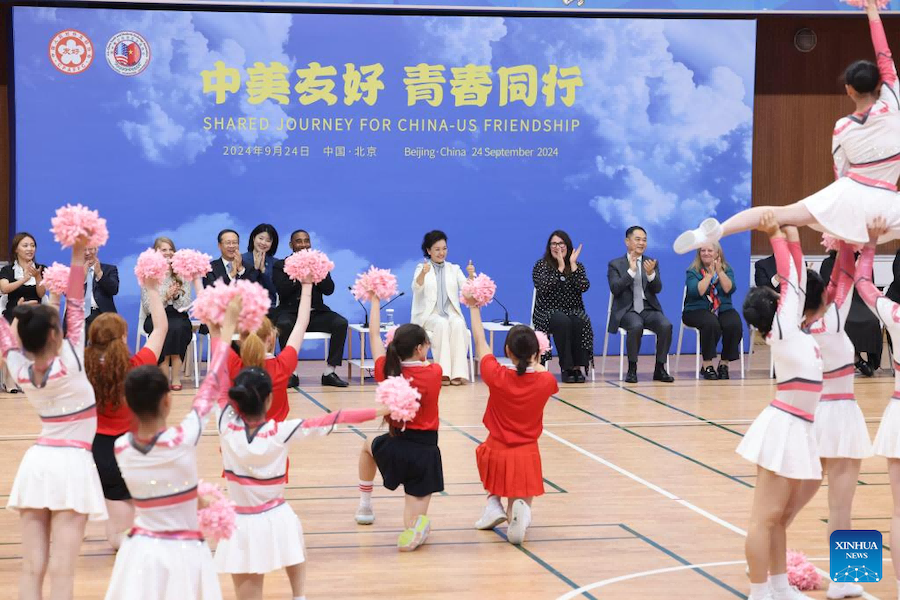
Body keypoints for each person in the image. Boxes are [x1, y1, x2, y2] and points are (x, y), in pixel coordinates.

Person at [675, 0, 900, 254]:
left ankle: (718, 231)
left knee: (780, 214)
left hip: (850, 196)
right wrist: (872, 11)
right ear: (880, 84)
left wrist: (836, 216)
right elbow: (885, 55)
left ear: (848, 89)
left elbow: (841, 173)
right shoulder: (892, 103)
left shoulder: (843, 127)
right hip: (887, 200)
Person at [103, 297, 240, 600]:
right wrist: (225, 329)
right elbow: (213, 383)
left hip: (139, 551)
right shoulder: (183, 438)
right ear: (167, 401)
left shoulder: (121, 447)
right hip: (184, 551)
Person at [215, 368, 386, 600]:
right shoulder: (281, 432)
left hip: (240, 521)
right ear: (269, 399)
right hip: (276, 514)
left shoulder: (224, 426)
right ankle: (299, 596)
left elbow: (216, 378)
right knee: (294, 548)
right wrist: (382, 410)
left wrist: (219, 337)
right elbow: (338, 416)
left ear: (235, 400)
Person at [0, 236, 108, 600]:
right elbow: (76, 303)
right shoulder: (73, 362)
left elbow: (6, 337)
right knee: (62, 566)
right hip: (72, 465)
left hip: (37, 464)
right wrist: (78, 251)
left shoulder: (20, 370)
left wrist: (12, 325)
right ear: (54, 333)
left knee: (33, 565)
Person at [737, 213, 827, 600]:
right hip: (785, 426)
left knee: (775, 519)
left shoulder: (794, 329)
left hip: (800, 425)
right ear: (777, 303)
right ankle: (760, 591)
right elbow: (794, 276)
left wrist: (792, 233)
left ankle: (777, 585)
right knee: (764, 518)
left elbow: (801, 278)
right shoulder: (785, 327)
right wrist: (777, 233)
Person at [778, 240, 873, 600]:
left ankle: (766, 556)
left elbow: (832, 280)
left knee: (790, 501)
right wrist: (851, 242)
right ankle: (845, 580)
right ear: (823, 299)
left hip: (813, 416)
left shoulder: (794, 327)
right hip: (842, 415)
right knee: (841, 506)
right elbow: (846, 274)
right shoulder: (832, 321)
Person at [355, 294, 443, 552]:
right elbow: (428, 366)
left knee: (367, 444)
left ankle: (365, 504)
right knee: (411, 520)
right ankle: (414, 529)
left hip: (395, 447)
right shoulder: (434, 373)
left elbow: (373, 336)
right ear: (419, 348)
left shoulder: (386, 370)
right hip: (424, 452)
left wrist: (373, 300)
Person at [86, 273, 168, 550]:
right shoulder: (137, 364)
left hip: (99, 447)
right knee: (129, 520)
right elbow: (160, 329)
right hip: (132, 446)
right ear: (124, 336)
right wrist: (154, 289)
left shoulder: (84, 370)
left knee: (114, 505)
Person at [466, 299, 558, 545]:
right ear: (538, 352)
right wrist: (536, 362)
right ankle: (519, 514)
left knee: (493, 470)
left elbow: (480, 341)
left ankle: (493, 504)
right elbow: (539, 372)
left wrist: (474, 308)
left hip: (495, 450)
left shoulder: (496, 375)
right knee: (520, 497)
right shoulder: (547, 382)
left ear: (508, 352)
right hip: (526, 453)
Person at [852, 217, 900, 600]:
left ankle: (851, 579)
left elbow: (862, 282)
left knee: (894, 513)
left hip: (852, 420)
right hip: (838, 423)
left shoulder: (893, 314)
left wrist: (867, 243)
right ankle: (847, 578)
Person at [226, 278, 316, 422]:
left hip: (239, 439)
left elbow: (216, 333)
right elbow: (301, 324)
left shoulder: (235, 367)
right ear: (270, 337)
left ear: (240, 339)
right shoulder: (283, 365)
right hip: (275, 440)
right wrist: (307, 285)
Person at [272, 229, 349, 388]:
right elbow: (282, 290)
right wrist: (300, 276)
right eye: (298, 241)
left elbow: (329, 290)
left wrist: (316, 271)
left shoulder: (319, 262)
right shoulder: (281, 265)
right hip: (290, 312)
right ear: (291, 245)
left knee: (341, 323)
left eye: (306, 241)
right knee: (284, 324)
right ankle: (291, 372)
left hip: (316, 313)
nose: (303, 244)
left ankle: (329, 372)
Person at [607, 226, 674, 383]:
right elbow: (615, 288)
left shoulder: (650, 263)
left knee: (666, 325)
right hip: (627, 310)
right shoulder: (615, 264)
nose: (642, 243)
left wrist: (651, 274)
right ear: (627, 241)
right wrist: (630, 272)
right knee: (636, 326)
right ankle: (632, 369)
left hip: (648, 308)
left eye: (644, 240)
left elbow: (657, 289)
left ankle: (660, 368)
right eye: (637, 239)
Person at [410, 230, 475, 386]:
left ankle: (458, 373)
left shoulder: (454, 269)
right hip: (430, 316)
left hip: (450, 313)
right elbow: (416, 288)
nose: (441, 252)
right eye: (437, 249)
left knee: (458, 323)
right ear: (428, 251)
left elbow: (467, 292)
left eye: (444, 248)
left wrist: (471, 276)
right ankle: (443, 373)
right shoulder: (422, 267)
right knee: (441, 323)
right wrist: (423, 275)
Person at [531, 230, 594, 383]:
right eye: (553, 244)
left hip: (572, 309)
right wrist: (559, 268)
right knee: (563, 321)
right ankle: (566, 367)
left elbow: (584, 286)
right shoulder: (541, 265)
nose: (557, 247)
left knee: (580, 320)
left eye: (561, 243)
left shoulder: (577, 266)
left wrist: (572, 265)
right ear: (549, 246)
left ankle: (577, 367)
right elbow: (543, 287)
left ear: (568, 246)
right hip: (546, 311)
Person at [682, 242, 742, 380]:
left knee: (734, 324)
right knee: (711, 323)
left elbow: (729, 289)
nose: (706, 253)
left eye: (710, 250)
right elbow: (697, 291)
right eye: (703, 250)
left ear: (717, 253)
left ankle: (724, 364)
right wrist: (709, 275)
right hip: (696, 310)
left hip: (722, 308)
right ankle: (707, 364)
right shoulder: (693, 271)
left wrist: (719, 272)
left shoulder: (727, 270)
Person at [143, 237, 196, 390]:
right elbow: (147, 306)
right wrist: (165, 297)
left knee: (178, 328)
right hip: (156, 315)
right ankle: (164, 377)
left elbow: (186, 305)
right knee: (164, 329)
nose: (168, 253)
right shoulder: (148, 274)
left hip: (178, 314)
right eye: (163, 250)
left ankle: (176, 377)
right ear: (155, 253)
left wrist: (176, 296)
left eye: (170, 249)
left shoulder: (182, 273)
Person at [820, 249, 882, 376]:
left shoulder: (862, 262)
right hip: (839, 303)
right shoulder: (828, 263)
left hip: (860, 303)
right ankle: (856, 358)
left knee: (872, 320)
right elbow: (828, 289)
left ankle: (871, 360)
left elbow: (869, 287)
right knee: (844, 320)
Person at [0, 232, 45, 322]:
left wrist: (37, 277)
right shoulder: (7, 270)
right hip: (13, 312)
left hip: (35, 313)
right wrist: (24, 279)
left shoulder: (41, 269)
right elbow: (4, 289)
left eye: (32, 246)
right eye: (25, 246)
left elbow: (41, 294)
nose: (30, 249)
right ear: (16, 249)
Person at [83, 245, 119, 333]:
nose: (87, 253)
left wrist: (99, 274)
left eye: (90, 249)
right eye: (84, 250)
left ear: (96, 250)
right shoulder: (74, 272)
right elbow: (68, 295)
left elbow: (114, 289)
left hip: (102, 314)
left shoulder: (109, 269)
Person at [243, 224, 279, 308]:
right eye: (261, 238)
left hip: (270, 307)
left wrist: (263, 270)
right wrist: (255, 269)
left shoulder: (276, 263)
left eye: (268, 240)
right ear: (253, 238)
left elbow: (275, 290)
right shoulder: (241, 259)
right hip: (246, 306)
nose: (263, 243)